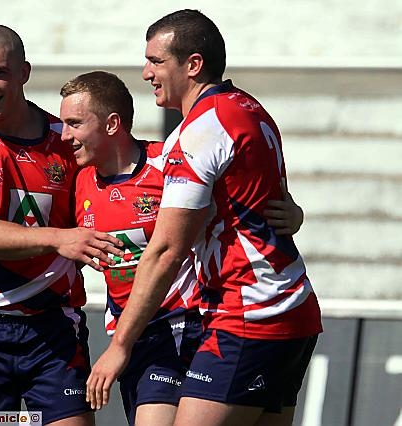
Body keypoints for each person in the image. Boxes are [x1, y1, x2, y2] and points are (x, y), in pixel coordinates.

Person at [86, 9, 322, 426]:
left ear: (193, 64)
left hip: (249, 313)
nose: (146, 73)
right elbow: (268, 202)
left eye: (156, 61)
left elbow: (166, 250)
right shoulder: (247, 107)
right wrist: (295, 213)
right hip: (290, 308)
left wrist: (119, 346)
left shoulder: (203, 129)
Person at [0, 24, 124, 425]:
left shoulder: (67, 143)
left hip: (55, 330)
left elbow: (119, 192)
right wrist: (58, 240)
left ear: (24, 73)